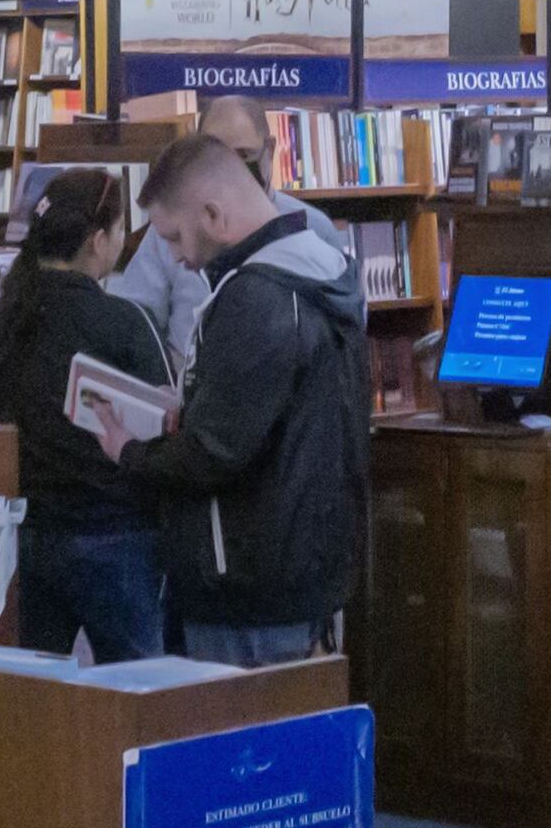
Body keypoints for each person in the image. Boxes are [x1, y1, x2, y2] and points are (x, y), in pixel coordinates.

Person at [84, 130, 368, 665]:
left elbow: (217, 451)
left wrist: (127, 449)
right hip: (295, 572)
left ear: (214, 215)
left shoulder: (256, 298)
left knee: (242, 742)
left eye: (173, 238)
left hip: (249, 587)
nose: (177, 258)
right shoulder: (314, 273)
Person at [0, 167, 174, 660]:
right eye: (120, 232)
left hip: (24, 537)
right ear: (98, 241)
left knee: (36, 697)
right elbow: (165, 426)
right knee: (137, 691)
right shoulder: (125, 323)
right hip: (117, 532)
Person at [107, 92, 335, 379]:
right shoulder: (169, 232)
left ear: (271, 150)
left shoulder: (314, 229)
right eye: (215, 154)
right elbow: (136, 322)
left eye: (242, 155)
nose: (227, 170)